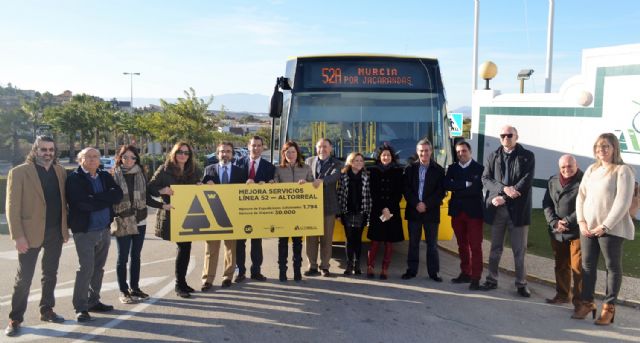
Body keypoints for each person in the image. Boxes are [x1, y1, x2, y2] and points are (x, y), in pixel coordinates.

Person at [4, 136, 68, 337]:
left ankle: (46, 309)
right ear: (35, 150)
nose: (47, 153)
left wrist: (65, 229)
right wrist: (18, 236)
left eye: (50, 149)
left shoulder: (60, 171)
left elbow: (64, 201)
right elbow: (12, 208)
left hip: (55, 232)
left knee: (50, 274)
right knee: (24, 278)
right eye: (43, 149)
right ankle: (15, 318)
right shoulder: (20, 172)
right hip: (29, 234)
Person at [572, 133, 635, 325]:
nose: (601, 149)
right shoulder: (592, 169)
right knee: (588, 266)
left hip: (611, 229)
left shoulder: (623, 171)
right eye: (598, 146)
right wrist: (581, 221)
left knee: (612, 268)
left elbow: (623, 202)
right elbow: (581, 196)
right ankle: (587, 302)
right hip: (588, 228)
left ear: (614, 148)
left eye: (606, 146)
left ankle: (609, 308)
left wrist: (605, 225)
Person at [67, 147, 123, 322]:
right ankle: (81, 307)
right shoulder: (74, 178)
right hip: (85, 231)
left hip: (104, 229)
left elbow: (118, 195)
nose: (92, 159)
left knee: (98, 268)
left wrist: (95, 197)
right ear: (80, 159)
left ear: (100, 160)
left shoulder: (105, 176)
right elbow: (82, 204)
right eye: (88, 157)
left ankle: (93, 301)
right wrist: (105, 198)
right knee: (86, 269)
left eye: (95, 157)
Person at [480, 125, 535, 297]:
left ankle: (521, 284)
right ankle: (491, 279)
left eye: (509, 135)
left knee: (519, 251)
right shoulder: (493, 156)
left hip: (518, 211)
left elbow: (526, 181)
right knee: (495, 248)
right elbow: (485, 179)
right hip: (498, 211)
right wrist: (504, 189)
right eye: (502, 135)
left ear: (516, 137)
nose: (506, 138)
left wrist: (505, 196)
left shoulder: (527, 156)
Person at [111, 145, 164, 304]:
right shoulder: (114, 175)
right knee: (122, 257)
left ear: (137, 159)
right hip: (123, 220)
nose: (129, 160)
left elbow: (147, 198)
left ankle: (135, 288)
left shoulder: (141, 174)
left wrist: (162, 205)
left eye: (132, 157)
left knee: (136, 256)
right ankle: (123, 291)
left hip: (140, 220)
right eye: (125, 157)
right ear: (120, 158)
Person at [148, 142, 201, 298]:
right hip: (172, 215)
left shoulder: (193, 170)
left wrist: (200, 185)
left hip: (189, 215)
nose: (183, 155)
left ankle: (182, 283)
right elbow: (150, 187)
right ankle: (179, 285)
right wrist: (161, 190)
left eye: (186, 153)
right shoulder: (164, 169)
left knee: (185, 248)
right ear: (174, 153)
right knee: (183, 248)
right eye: (180, 152)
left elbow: (198, 188)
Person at [201, 142, 247, 290]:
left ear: (232, 154)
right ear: (217, 154)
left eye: (228, 151)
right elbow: (200, 192)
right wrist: (202, 184)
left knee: (230, 249)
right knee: (211, 250)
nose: (225, 154)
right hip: (213, 216)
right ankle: (207, 279)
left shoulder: (240, 172)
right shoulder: (208, 170)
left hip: (232, 216)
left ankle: (228, 277)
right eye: (222, 152)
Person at [401, 138, 446, 281]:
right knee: (413, 244)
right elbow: (406, 189)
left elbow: (440, 192)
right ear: (417, 152)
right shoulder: (409, 169)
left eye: (426, 150)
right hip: (414, 211)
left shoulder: (439, 170)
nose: (424, 153)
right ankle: (411, 271)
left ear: (431, 151)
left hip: (431, 213)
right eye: (421, 151)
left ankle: (434, 273)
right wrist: (416, 203)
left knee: (432, 245)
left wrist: (425, 204)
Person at [542, 154, 583, 307]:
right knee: (561, 266)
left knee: (578, 268)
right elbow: (546, 203)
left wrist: (567, 221)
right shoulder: (553, 180)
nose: (566, 169)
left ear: (576, 165)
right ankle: (562, 295)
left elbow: (586, 206)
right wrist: (554, 222)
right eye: (563, 167)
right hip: (557, 232)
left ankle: (579, 303)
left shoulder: (585, 181)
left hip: (577, 231)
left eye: (569, 166)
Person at [233, 136, 275, 282]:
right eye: (253, 145)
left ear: (263, 147)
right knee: (239, 243)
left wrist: (268, 184)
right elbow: (231, 185)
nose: (256, 148)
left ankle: (256, 271)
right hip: (240, 210)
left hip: (259, 211)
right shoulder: (237, 163)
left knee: (257, 242)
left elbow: (273, 187)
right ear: (248, 146)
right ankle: (240, 272)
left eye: (259, 145)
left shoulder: (269, 167)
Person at [444, 141, 485, 290]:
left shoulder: (479, 169)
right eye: (459, 152)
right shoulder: (452, 168)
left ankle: (475, 277)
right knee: (461, 245)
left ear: (470, 152)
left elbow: (476, 189)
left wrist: (458, 185)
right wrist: (465, 184)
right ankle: (465, 273)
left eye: (464, 151)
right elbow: (446, 185)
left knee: (475, 246)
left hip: (474, 213)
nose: (461, 154)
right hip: (457, 212)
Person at [273, 141, 316, 282]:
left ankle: (297, 271)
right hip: (283, 212)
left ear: (297, 153)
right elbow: (273, 186)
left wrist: (307, 184)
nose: (290, 154)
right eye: (287, 152)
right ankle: (282, 272)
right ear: (284, 154)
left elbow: (313, 187)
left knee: (298, 243)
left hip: (300, 213)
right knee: (282, 243)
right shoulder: (278, 169)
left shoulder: (307, 168)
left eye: (293, 152)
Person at [304, 138, 344, 277]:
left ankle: (325, 266)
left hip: (329, 206)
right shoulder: (308, 161)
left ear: (331, 148)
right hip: (310, 207)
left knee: (327, 239)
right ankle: (312, 266)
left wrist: (320, 181)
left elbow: (335, 177)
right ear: (316, 148)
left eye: (325, 147)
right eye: (320, 147)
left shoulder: (337, 163)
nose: (322, 149)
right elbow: (304, 176)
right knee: (311, 239)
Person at [366, 143, 404, 280]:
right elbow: (372, 192)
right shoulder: (373, 171)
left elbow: (399, 193)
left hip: (392, 210)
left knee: (389, 241)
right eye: (383, 155)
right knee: (375, 241)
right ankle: (370, 267)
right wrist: (383, 208)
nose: (386, 157)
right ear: (379, 157)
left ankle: (384, 269)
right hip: (377, 209)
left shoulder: (399, 171)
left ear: (392, 157)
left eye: (388, 155)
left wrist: (388, 208)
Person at [337, 152, 372, 275]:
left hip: (361, 211)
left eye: (361, 161)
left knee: (358, 239)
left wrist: (368, 213)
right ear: (351, 162)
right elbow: (340, 195)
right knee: (349, 239)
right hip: (347, 212)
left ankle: (357, 265)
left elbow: (369, 196)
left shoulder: (367, 176)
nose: (359, 163)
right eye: (356, 161)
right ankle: (348, 264)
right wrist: (339, 214)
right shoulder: (343, 176)